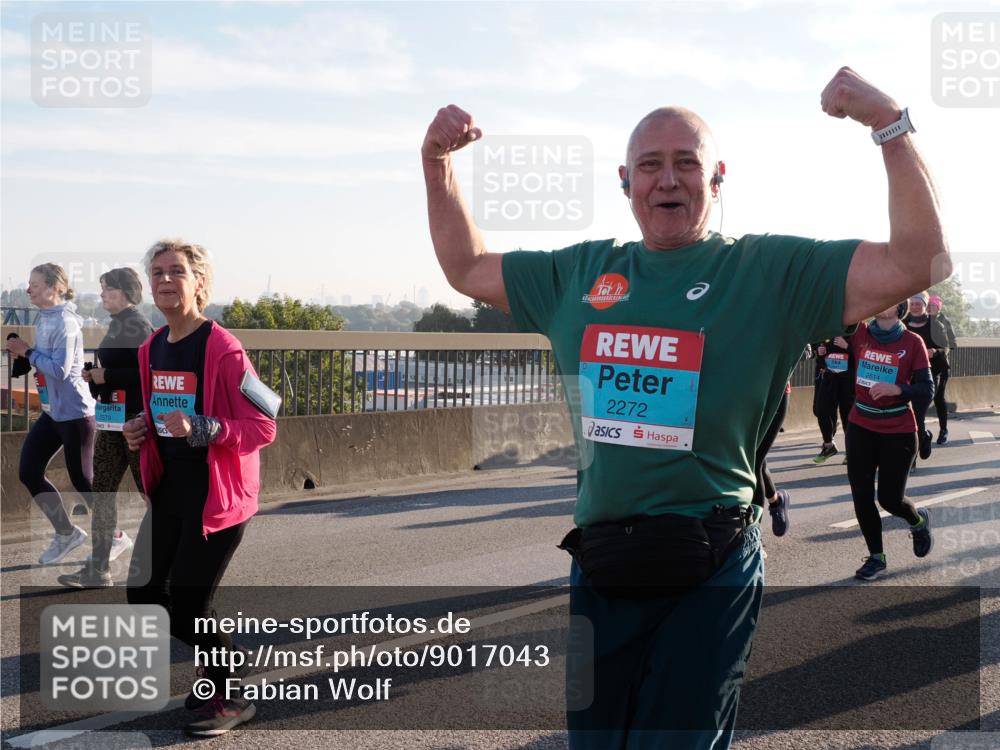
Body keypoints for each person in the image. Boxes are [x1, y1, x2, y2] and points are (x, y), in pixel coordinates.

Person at [422, 65, 948, 749]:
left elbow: (921, 263)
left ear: (716, 177)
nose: (667, 180)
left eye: (685, 164)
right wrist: (436, 164)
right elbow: (466, 267)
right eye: (649, 165)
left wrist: (889, 124)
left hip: (712, 560)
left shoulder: (767, 273)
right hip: (602, 562)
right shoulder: (576, 274)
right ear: (625, 181)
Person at [122, 240, 276, 737]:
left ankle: (228, 693)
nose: (166, 280)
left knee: (189, 604)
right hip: (168, 490)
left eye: (178, 272)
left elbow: (263, 426)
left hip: (218, 497)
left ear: (200, 282)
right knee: (145, 593)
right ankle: (222, 664)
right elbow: (161, 413)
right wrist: (138, 427)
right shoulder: (151, 348)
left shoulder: (224, 349)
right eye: (158, 272)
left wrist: (203, 428)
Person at [58, 267, 153, 589]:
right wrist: (96, 379)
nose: (101, 296)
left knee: (153, 496)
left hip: (137, 427)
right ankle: (99, 569)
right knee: (102, 494)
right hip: (112, 423)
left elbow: (147, 376)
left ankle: (176, 563)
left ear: (125, 292)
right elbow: (116, 374)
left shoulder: (138, 326)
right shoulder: (117, 325)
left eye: (107, 290)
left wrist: (106, 376)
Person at [5, 264, 96, 565]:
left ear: (54, 288)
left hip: (75, 414)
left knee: (84, 482)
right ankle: (67, 533)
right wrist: (23, 356)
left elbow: (59, 369)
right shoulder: (45, 319)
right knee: (29, 471)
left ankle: (115, 535)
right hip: (52, 412)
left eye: (34, 284)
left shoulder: (66, 323)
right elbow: (44, 363)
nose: (28, 289)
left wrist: (28, 351)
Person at [847, 302, 934, 580]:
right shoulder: (859, 333)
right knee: (861, 495)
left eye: (890, 297)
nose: (881, 300)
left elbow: (926, 388)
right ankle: (877, 557)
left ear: (900, 308)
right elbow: (840, 307)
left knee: (889, 499)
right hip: (861, 425)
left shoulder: (913, 341)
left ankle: (917, 522)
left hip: (899, 429)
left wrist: (897, 388)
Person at [905, 291, 949, 460]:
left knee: (917, 413)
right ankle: (918, 447)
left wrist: (934, 351)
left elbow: (945, 347)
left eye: (919, 304)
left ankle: (916, 451)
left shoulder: (935, 325)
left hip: (929, 374)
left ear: (925, 306)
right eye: (913, 304)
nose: (915, 307)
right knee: (907, 415)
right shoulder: (902, 324)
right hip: (906, 375)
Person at [811, 335, 855, 465]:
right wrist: (818, 350)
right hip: (827, 373)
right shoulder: (824, 325)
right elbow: (813, 344)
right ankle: (829, 446)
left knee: (847, 413)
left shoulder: (855, 326)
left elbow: (863, 352)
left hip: (848, 376)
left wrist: (847, 347)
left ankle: (851, 451)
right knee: (821, 409)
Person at [927, 294, 956, 444]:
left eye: (933, 306)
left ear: (938, 308)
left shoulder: (944, 322)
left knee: (938, 398)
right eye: (928, 306)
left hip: (941, 366)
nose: (929, 309)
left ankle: (943, 430)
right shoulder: (921, 321)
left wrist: (938, 351)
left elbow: (952, 344)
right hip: (923, 365)